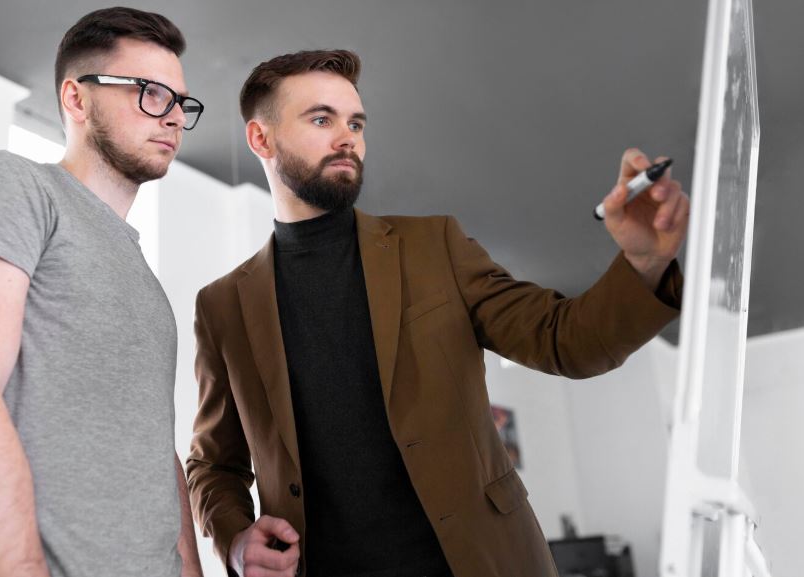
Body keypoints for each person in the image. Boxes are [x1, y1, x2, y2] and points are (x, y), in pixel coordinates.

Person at [187, 50, 687, 577]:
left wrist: (645, 262)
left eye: (355, 122)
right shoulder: (222, 306)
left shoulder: (434, 246)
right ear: (261, 139)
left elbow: (565, 340)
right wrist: (236, 541)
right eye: (321, 119)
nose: (347, 138)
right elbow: (213, 464)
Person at [0, 7, 205, 577]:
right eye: (151, 93)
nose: (174, 117)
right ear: (77, 99)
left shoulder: (147, 286)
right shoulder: (12, 185)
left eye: (181, 102)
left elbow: (161, 459)